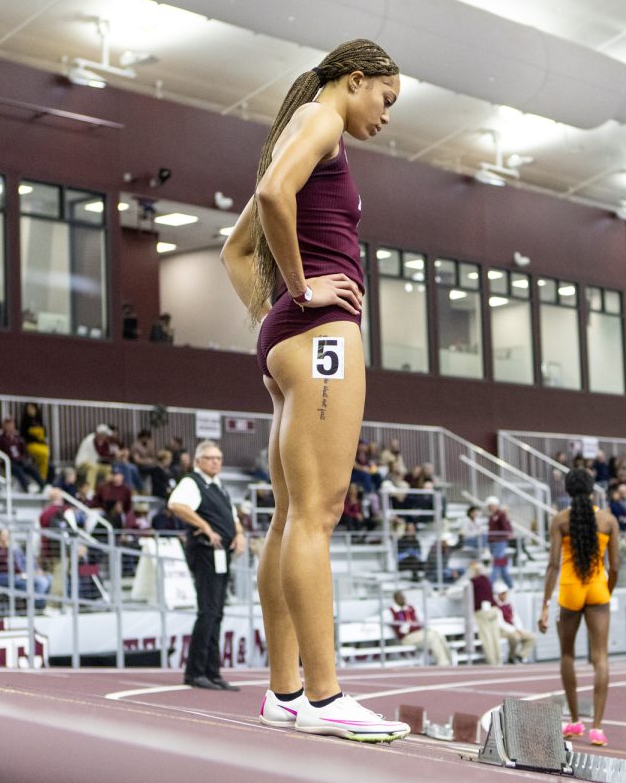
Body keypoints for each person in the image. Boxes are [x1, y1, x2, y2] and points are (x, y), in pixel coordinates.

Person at [219, 38, 408, 742]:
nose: (387, 117)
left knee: (290, 514)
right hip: (324, 334)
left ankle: (285, 692)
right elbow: (272, 197)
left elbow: (235, 250)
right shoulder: (322, 121)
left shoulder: (302, 126)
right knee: (318, 515)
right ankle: (326, 700)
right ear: (355, 80)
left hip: (294, 340)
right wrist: (300, 293)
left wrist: (270, 323)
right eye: (385, 100)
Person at [538, 468, 620, 747]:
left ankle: (574, 721)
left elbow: (552, 565)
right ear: (592, 489)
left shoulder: (560, 520)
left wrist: (545, 605)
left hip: (570, 591)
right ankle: (597, 728)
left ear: (568, 492)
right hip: (598, 589)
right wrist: (606, 593)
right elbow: (616, 566)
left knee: (567, 655)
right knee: (601, 658)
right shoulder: (608, 520)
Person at [167, 440, 244, 692]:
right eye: (210, 458)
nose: (215, 462)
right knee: (208, 611)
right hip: (204, 552)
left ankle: (212, 671)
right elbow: (176, 504)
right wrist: (205, 527)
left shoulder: (220, 487)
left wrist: (240, 534)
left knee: (217, 613)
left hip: (222, 554)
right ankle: (195, 671)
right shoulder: (192, 482)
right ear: (198, 460)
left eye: (219, 458)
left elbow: (233, 517)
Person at [388, 591, 451, 666]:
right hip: (407, 637)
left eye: (403, 597)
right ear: (395, 599)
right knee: (433, 638)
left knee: (439, 635)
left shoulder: (412, 608)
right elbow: (387, 622)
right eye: (400, 598)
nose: (402, 599)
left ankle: (449, 661)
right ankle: (443, 663)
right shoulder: (391, 611)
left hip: (418, 633)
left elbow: (422, 620)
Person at [464, 560, 502, 665]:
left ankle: (492, 662)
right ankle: (499, 661)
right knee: (495, 636)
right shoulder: (486, 579)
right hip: (493, 609)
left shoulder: (472, 582)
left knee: (487, 637)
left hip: (483, 612)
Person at [493, 581, 535, 663]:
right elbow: (500, 623)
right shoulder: (495, 607)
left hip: (514, 629)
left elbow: (515, 618)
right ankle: (511, 657)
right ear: (498, 595)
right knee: (515, 638)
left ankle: (521, 655)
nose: (505, 595)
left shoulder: (509, 605)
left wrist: (519, 629)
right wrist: (514, 630)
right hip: (503, 631)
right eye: (503, 594)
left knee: (531, 637)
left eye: (505, 593)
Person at [486, 496, 514, 590]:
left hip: (500, 542)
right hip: (493, 542)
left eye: (492, 505)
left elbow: (506, 527)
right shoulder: (491, 516)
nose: (491, 508)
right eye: (489, 506)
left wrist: (507, 534)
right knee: (501, 565)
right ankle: (510, 584)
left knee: (496, 562)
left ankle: (490, 584)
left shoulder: (501, 515)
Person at [19, 403, 50, 482]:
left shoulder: (39, 420)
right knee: (44, 454)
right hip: (31, 444)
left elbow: (44, 434)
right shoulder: (25, 421)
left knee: (45, 458)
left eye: (32, 409)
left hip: (41, 445)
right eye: (29, 409)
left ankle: (43, 478)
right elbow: (24, 434)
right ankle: (41, 479)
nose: (30, 411)